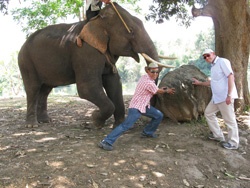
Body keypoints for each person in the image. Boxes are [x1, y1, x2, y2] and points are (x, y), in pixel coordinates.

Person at [98, 62, 176, 151]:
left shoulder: (145, 77)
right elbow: (158, 91)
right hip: (136, 107)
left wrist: (163, 89)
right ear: (147, 71)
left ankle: (147, 132)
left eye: (157, 72)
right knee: (125, 125)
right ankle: (106, 142)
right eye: (152, 71)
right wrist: (167, 90)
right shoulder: (148, 82)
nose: (155, 74)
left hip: (144, 105)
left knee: (158, 115)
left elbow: (156, 89)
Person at [192, 49, 239, 150]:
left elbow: (231, 76)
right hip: (216, 98)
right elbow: (213, 82)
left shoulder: (223, 61)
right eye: (204, 57)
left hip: (225, 97)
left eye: (208, 55)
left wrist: (229, 95)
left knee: (229, 120)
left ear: (213, 54)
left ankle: (233, 143)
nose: (206, 58)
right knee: (208, 113)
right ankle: (218, 135)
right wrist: (199, 83)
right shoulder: (213, 67)